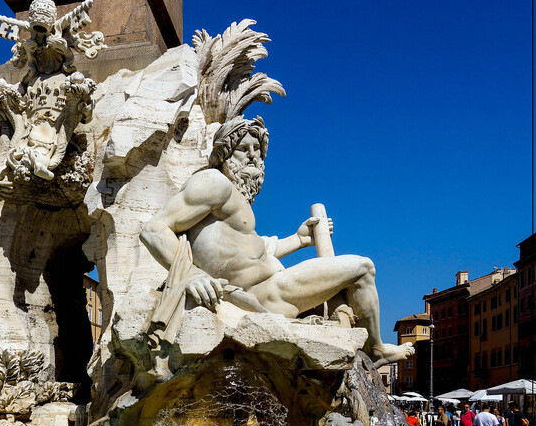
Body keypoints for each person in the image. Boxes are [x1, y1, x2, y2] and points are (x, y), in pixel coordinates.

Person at [139, 116, 415, 367]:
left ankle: (368, 348)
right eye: (243, 149)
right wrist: (191, 275)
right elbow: (154, 229)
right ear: (225, 153)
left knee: (344, 293)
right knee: (363, 267)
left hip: (271, 290)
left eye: (257, 151)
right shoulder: (214, 183)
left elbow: (256, 253)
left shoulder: (236, 204)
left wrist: (298, 239)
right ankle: (376, 349)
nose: (252, 157)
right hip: (265, 293)